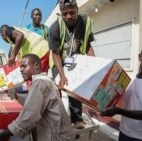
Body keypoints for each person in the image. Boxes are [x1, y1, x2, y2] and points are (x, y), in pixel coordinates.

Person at [0, 54, 74, 141]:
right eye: (20, 67)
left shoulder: (40, 82)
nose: (20, 70)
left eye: (24, 66)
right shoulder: (45, 81)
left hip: (56, 137)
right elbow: (35, 103)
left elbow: (28, 118)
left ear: (36, 65)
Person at [101, 43, 142, 141]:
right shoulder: (130, 78)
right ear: (140, 57)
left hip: (141, 137)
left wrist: (118, 111)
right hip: (123, 132)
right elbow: (114, 93)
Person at [48, 0, 95, 129]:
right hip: (59, 61)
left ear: (77, 11)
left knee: (75, 88)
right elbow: (55, 54)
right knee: (58, 89)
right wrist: (62, 75)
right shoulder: (55, 27)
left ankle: (77, 118)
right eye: (65, 14)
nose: (68, 16)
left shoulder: (85, 22)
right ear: (61, 14)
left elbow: (88, 46)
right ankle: (56, 119)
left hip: (75, 60)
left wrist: (94, 66)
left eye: (72, 13)